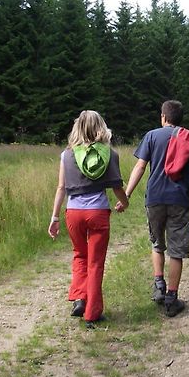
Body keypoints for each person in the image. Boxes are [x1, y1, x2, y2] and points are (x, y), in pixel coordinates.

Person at [116, 100, 189, 317]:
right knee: (177, 250)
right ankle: (171, 299)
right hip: (179, 199)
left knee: (157, 243)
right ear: (180, 118)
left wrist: (127, 194)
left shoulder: (152, 136)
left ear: (163, 117)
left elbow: (140, 167)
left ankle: (159, 286)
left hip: (155, 199)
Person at [48, 110, 129, 329]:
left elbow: (61, 188)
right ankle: (92, 313)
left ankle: (79, 298)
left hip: (73, 212)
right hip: (98, 213)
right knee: (95, 263)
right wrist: (125, 201)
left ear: (77, 128)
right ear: (101, 127)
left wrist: (55, 217)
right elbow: (117, 186)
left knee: (80, 256)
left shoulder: (67, 155)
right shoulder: (109, 154)